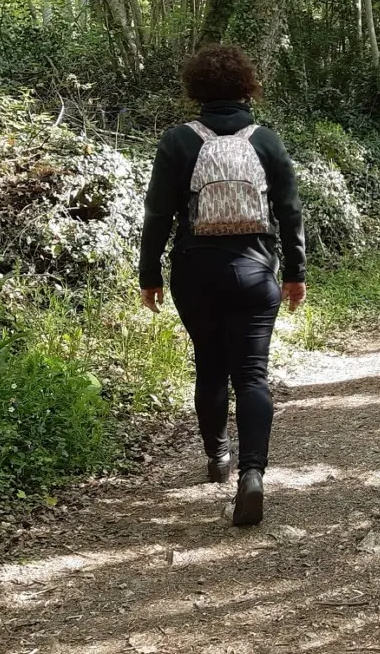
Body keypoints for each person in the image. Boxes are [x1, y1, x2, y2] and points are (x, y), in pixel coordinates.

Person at [139, 43, 306, 527]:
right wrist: (294, 273)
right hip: (256, 271)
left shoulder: (177, 140)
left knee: (209, 367)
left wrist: (149, 274)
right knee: (252, 374)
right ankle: (252, 475)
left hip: (196, 271)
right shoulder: (267, 140)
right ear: (246, 85)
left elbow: (157, 213)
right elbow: (290, 212)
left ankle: (217, 457)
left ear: (196, 88)